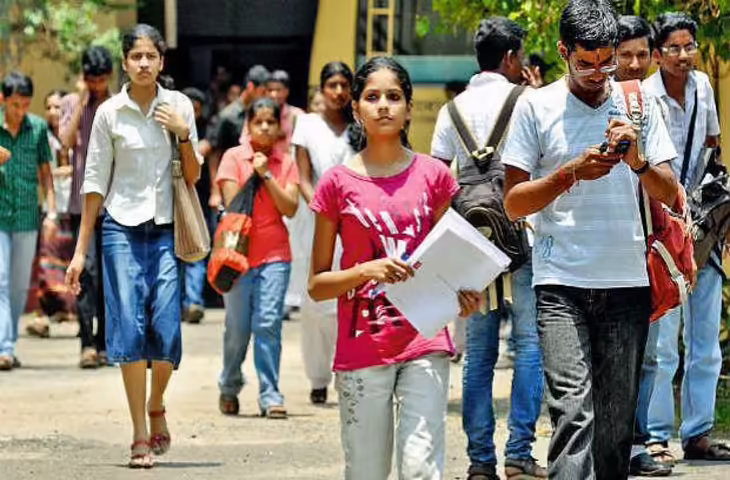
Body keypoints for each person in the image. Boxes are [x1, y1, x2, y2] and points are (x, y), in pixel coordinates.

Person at [501, 1, 679, 478]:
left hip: (627, 283)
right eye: (586, 63)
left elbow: (670, 193)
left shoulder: (639, 103)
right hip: (560, 284)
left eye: (607, 61)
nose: (599, 74)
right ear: (564, 52)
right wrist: (570, 173)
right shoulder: (534, 107)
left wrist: (638, 160)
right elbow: (513, 203)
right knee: (572, 416)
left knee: (615, 430)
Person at [308, 55, 481, 480]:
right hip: (361, 347)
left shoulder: (434, 176)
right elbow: (317, 284)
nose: (383, 105)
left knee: (421, 469)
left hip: (426, 340)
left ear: (408, 108)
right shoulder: (335, 184)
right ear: (356, 108)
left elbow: (451, 260)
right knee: (366, 472)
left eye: (393, 96)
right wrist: (367, 271)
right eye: (372, 97)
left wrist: (465, 295)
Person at [66, 24, 202, 468]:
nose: (144, 63)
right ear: (124, 62)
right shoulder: (109, 113)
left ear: (162, 61)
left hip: (166, 230)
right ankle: (139, 433)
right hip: (119, 230)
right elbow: (94, 182)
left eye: (151, 56)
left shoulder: (178, 106)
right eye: (136, 56)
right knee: (128, 327)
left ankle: (156, 401)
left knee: (166, 329)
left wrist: (183, 133)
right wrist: (80, 251)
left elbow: (194, 176)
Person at [431, 16, 546, 480]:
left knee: (479, 352)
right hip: (523, 234)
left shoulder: (451, 110)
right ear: (511, 57)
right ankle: (519, 453)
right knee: (529, 344)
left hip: (473, 241)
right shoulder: (529, 100)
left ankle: (480, 461)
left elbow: (437, 178)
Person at [643, 12, 729, 464]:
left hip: (703, 226)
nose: (682, 55)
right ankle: (656, 434)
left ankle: (697, 433)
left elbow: (713, 145)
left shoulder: (703, 87)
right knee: (662, 344)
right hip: (662, 227)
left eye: (688, 46)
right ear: (658, 55)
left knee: (705, 339)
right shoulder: (644, 95)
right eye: (673, 48)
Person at [613, 15, 673, 478]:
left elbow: (668, 182)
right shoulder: (582, 99)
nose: (634, 64)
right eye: (625, 55)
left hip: (644, 244)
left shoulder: (647, 103)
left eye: (641, 55)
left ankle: (637, 442)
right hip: (594, 251)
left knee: (646, 353)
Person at [216, 97, 300, 419]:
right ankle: (229, 384)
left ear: (279, 127)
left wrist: (267, 175)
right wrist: (255, 169)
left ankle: (270, 393)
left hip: (275, 255)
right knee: (237, 328)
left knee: (268, 324)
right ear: (248, 125)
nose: (264, 127)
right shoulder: (233, 158)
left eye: (270, 122)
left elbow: (290, 208)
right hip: (237, 255)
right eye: (258, 121)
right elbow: (232, 204)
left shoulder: (286, 162)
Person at [291, 61, 354, 405]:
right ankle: (318, 377)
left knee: (350, 297)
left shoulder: (359, 124)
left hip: (356, 221)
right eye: (333, 85)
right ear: (322, 89)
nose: (339, 92)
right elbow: (302, 176)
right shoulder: (307, 125)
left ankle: (346, 369)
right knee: (315, 302)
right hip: (316, 220)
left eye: (345, 85)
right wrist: (323, 209)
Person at [0, 71, 57, 371]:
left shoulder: (37, 128)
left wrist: (52, 212)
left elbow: (46, 174)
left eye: (25, 104)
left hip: (26, 216)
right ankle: (4, 348)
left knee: (19, 286)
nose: (20, 110)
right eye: (14, 105)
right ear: (3, 100)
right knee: (0, 280)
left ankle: (8, 343)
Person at [60, 45, 113, 368]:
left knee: (109, 275)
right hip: (81, 204)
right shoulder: (71, 102)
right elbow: (66, 141)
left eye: (101, 80)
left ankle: (105, 341)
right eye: (91, 80)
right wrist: (81, 101)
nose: (96, 86)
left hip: (114, 205)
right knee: (85, 271)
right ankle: (86, 343)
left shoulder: (118, 104)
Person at [25, 90, 77, 338]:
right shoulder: (40, 137)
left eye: (58, 107)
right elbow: (35, 172)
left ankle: (71, 313)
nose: (53, 112)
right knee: (46, 263)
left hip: (75, 208)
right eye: (49, 107)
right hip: (50, 209)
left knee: (72, 264)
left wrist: (69, 171)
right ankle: (42, 316)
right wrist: (60, 173)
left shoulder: (77, 136)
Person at [208, 65, 270, 217]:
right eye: (263, 91)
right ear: (251, 87)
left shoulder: (262, 114)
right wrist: (215, 192)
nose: (266, 96)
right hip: (231, 181)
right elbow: (214, 154)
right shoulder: (228, 116)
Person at [180, 87, 214, 324]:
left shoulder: (208, 129)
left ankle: (193, 302)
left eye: (196, 109)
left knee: (197, 250)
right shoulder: (168, 128)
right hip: (175, 198)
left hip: (199, 199)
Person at [266, 69, 304, 144]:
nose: (273, 94)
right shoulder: (258, 114)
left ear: (286, 92)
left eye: (278, 90)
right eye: (270, 90)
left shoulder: (297, 115)